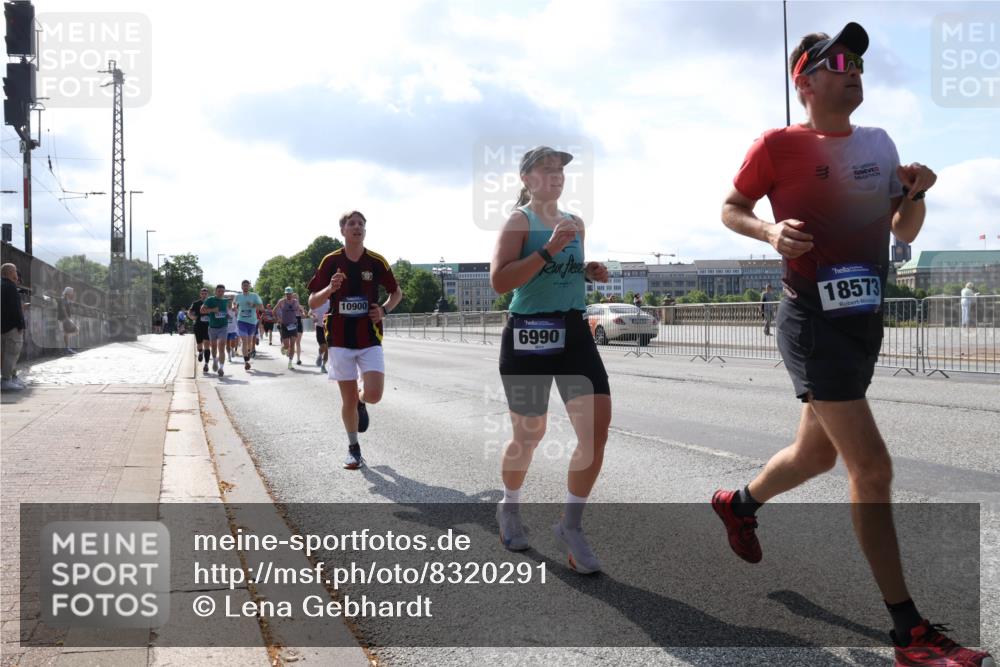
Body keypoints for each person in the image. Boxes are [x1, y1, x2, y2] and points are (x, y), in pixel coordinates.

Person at [714, 23, 992, 666]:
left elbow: (903, 227)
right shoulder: (777, 144)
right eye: (836, 59)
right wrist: (768, 231)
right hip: (809, 318)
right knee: (872, 468)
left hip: (862, 320)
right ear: (803, 80)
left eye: (858, 59)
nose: (853, 68)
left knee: (814, 456)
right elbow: (731, 205)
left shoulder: (878, 142)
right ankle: (910, 634)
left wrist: (916, 194)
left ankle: (738, 503)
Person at [489, 146, 611, 574]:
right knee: (530, 434)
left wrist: (587, 270)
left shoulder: (575, 222)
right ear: (526, 178)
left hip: (574, 331)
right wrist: (546, 251)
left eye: (560, 170)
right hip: (527, 334)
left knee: (595, 432)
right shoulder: (518, 222)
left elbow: (565, 271)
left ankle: (571, 526)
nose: (556, 175)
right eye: (546, 169)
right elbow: (501, 281)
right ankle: (509, 507)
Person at [307, 210, 403, 470]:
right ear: (343, 230)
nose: (357, 227)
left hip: (369, 336)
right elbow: (313, 300)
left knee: (373, 394)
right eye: (352, 223)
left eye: (361, 223)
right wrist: (330, 289)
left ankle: (363, 401)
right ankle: (354, 449)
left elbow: (396, 292)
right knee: (346, 400)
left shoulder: (376, 261)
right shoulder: (330, 261)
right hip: (339, 338)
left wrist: (383, 309)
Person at [1, 263, 27, 392]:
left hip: (3, 326)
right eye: (15, 272)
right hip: (12, 327)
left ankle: (11, 378)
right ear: (11, 273)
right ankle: (6, 380)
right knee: (12, 353)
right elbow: (15, 309)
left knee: (5, 354)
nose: (17, 274)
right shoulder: (10, 287)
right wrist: (21, 325)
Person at [233, 280, 264, 371]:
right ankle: (246, 362)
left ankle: (248, 353)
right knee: (245, 341)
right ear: (241, 287)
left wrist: (254, 305)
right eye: (244, 286)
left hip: (252, 322)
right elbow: (234, 303)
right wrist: (234, 307)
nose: (246, 287)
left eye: (247, 285)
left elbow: (262, 308)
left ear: (249, 287)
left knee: (249, 343)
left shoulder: (255, 296)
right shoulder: (238, 296)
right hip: (241, 321)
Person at [201, 285, 231, 377]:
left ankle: (221, 368)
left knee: (221, 347)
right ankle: (214, 360)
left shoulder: (226, 301)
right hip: (212, 327)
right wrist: (213, 310)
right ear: (215, 291)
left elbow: (228, 311)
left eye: (222, 291)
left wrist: (227, 315)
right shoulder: (210, 300)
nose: (221, 293)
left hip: (223, 327)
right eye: (219, 291)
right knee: (213, 347)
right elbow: (202, 310)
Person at [273, 288, 300, 370]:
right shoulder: (281, 301)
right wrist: (278, 319)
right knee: (286, 346)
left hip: (293, 325)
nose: (288, 295)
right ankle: (283, 348)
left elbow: (298, 310)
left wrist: (302, 313)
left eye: (290, 294)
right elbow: (274, 311)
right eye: (287, 294)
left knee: (292, 345)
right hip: (284, 325)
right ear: (285, 294)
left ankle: (290, 363)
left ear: (292, 294)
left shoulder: (295, 302)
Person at [189, 288, 212, 372]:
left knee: (207, 345)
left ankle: (206, 364)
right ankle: (200, 352)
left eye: (205, 293)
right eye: (202, 293)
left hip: (208, 326)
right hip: (198, 326)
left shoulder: (211, 303)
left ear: (207, 294)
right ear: (200, 294)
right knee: (199, 344)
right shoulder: (196, 303)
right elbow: (190, 312)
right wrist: (192, 317)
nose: (204, 295)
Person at [310, 294, 331, 373]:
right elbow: (310, 313)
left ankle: (323, 365)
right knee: (323, 347)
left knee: (328, 348)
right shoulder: (316, 303)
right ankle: (319, 355)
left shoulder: (330, 302)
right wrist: (313, 317)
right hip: (319, 327)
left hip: (328, 327)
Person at [57, 287, 78, 354]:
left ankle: (67, 348)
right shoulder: (62, 299)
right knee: (68, 333)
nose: (72, 293)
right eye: (71, 292)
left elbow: (68, 307)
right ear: (67, 292)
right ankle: (66, 349)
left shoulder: (66, 300)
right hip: (63, 319)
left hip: (66, 319)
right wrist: (67, 319)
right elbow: (63, 309)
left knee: (68, 333)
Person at [292, 292, 306, 365]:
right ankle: (290, 357)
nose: (296, 299)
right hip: (291, 323)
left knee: (298, 342)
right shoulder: (289, 306)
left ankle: (298, 359)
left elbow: (304, 316)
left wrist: (302, 312)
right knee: (292, 342)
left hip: (299, 323)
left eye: (297, 298)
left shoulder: (300, 306)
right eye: (294, 298)